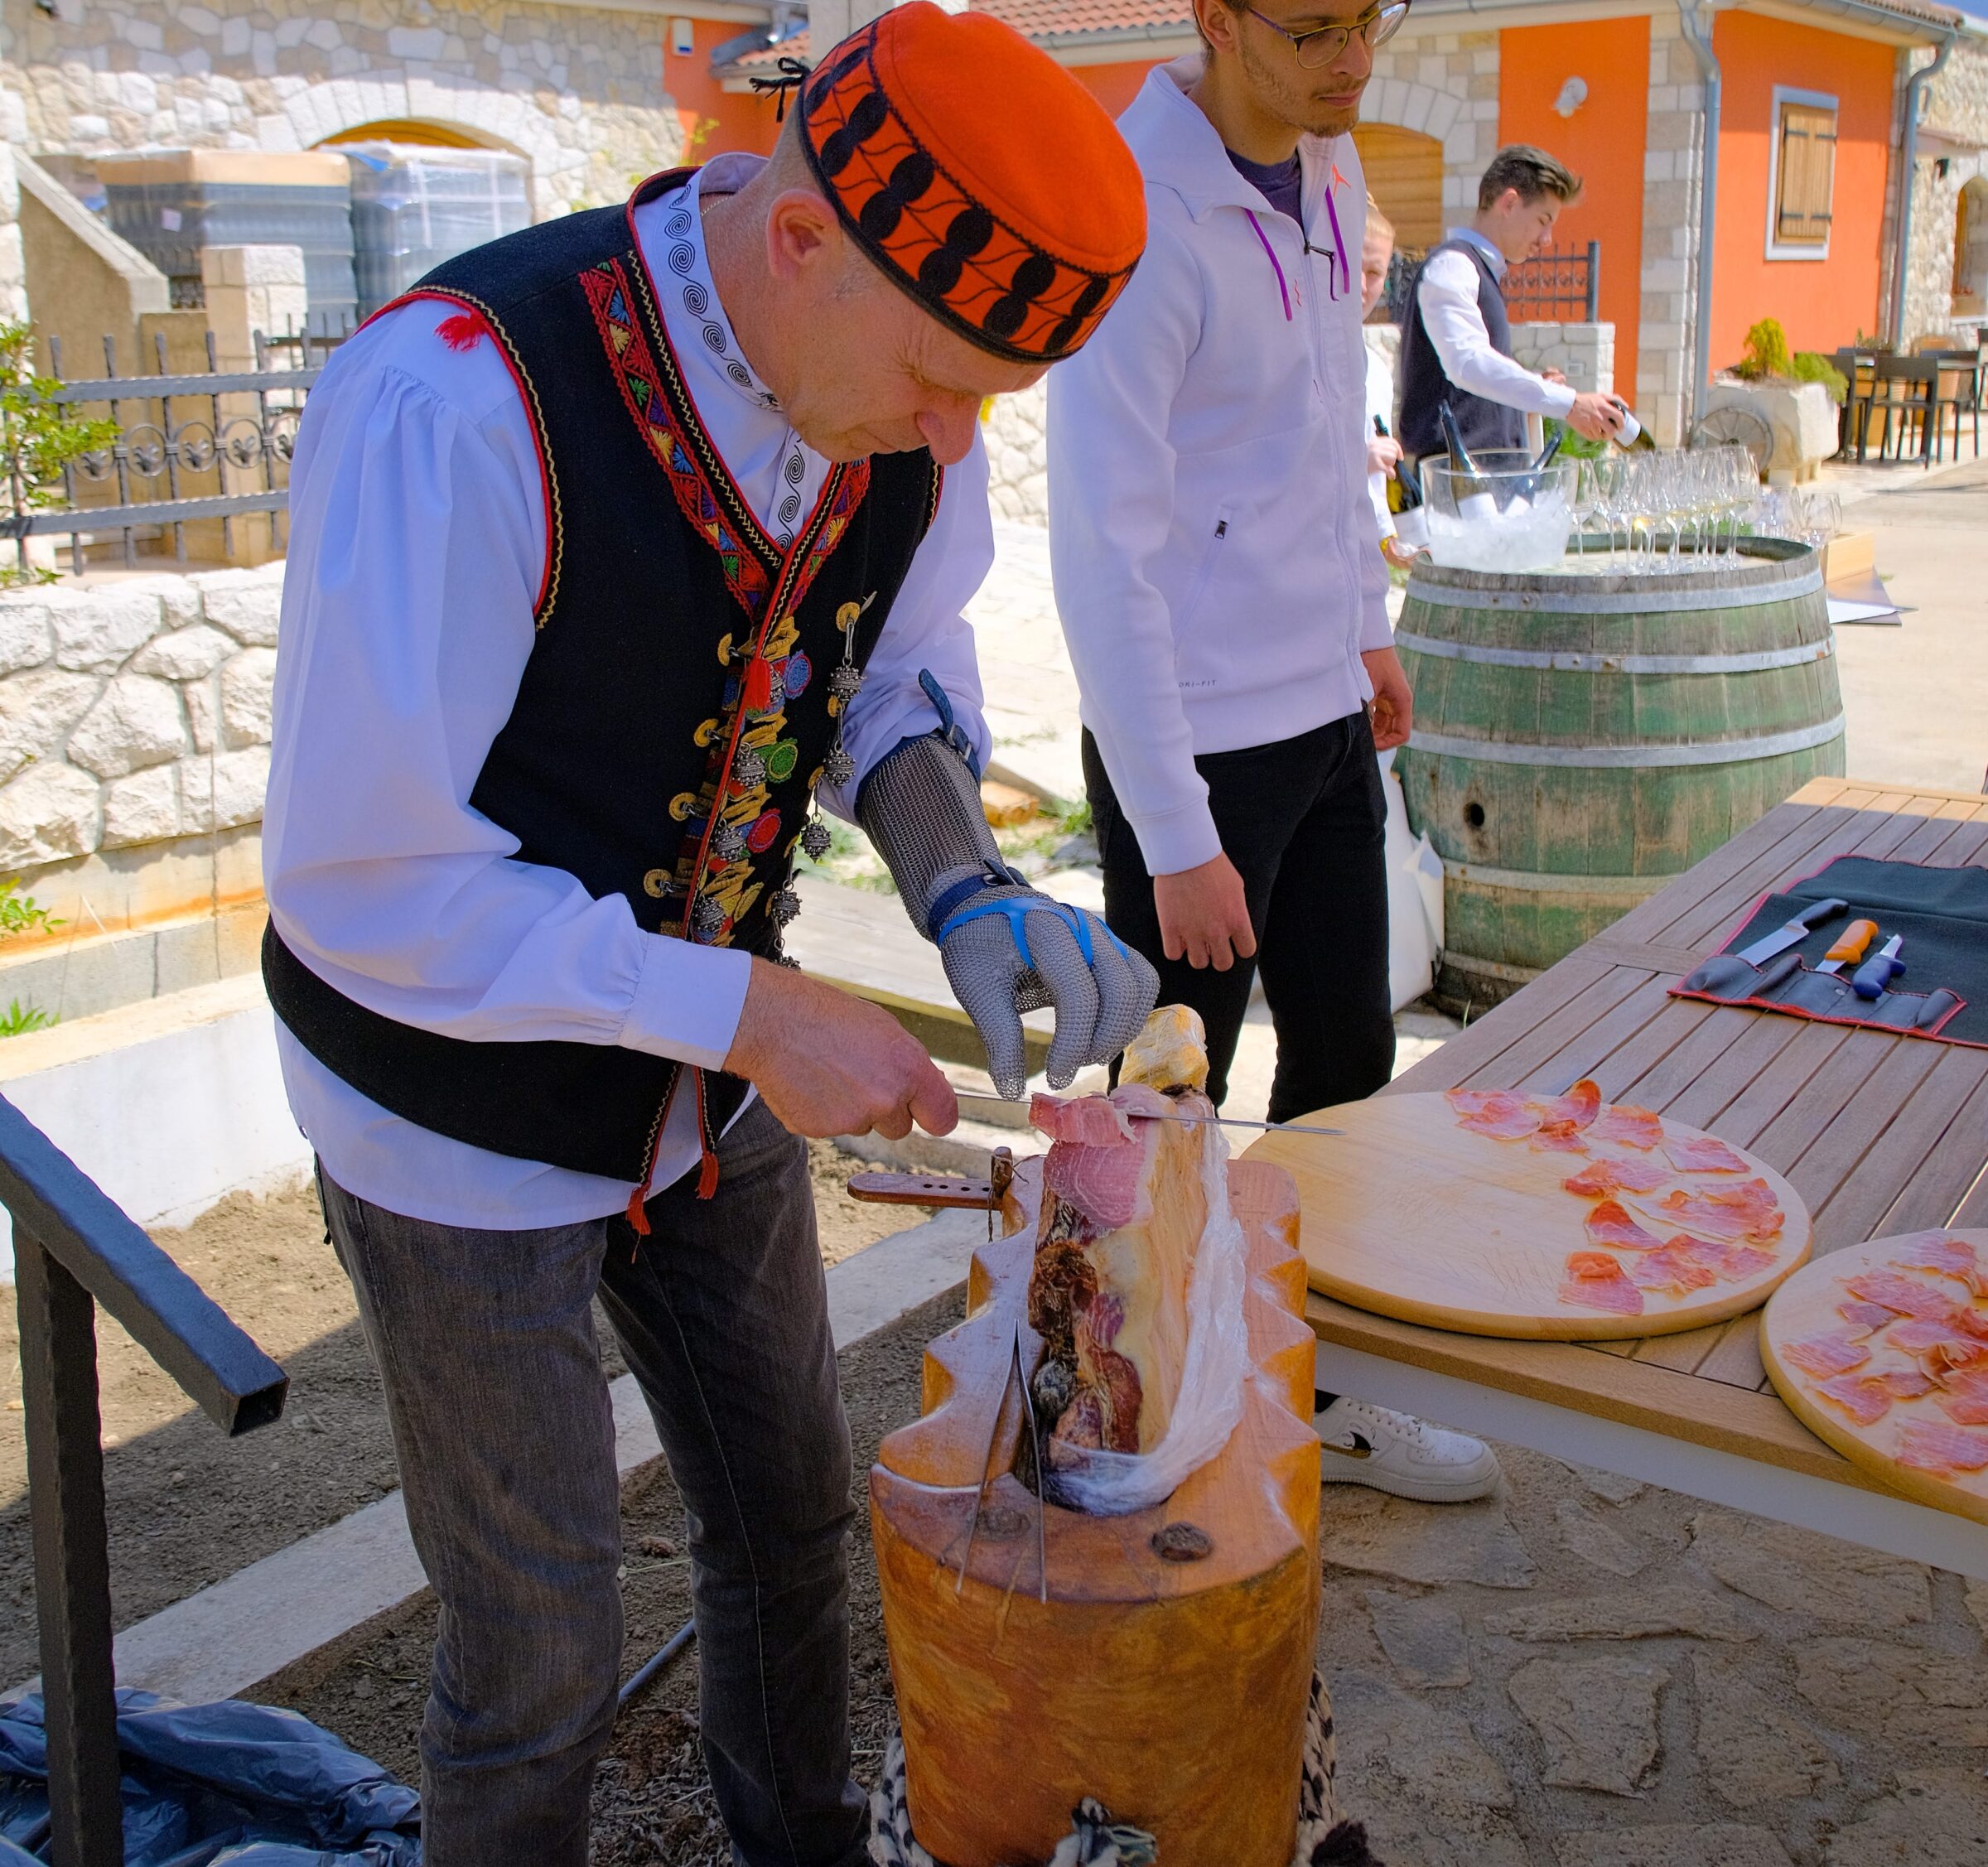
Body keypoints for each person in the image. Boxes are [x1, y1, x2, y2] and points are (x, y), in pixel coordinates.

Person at [261, 9, 1156, 1861]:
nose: (952, 436)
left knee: (787, 1511)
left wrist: (964, 885)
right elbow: (366, 883)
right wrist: (752, 1007)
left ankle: (803, 1843)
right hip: (452, 1108)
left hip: (704, 1074)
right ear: (804, 229)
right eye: (939, 380)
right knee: (540, 1634)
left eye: (990, 397)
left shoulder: (910, 392)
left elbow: (882, 681)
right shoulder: (458, 396)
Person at [1047, 0, 1499, 1504]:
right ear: (1216, 17)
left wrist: (1367, 624)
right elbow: (1103, 553)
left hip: (1316, 709)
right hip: (1198, 743)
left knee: (1355, 1058)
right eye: (1314, 29)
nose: (1354, 60)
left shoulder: (1325, 164)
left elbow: (1321, 429)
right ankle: (1135, 1401)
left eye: (1370, 21)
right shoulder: (1136, 214)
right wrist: (1176, 831)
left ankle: (1325, 1384)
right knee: (1167, 1107)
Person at [1397, 143, 1624, 461]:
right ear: (1510, 203)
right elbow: (1467, 363)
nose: (1547, 239)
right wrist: (1568, 403)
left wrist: (1534, 389)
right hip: (1460, 490)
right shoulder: (1453, 266)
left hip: (1480, 486)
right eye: (1544, 220)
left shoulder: (1472, 268)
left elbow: (1472, 384)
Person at [1358, 200, 1421, 571]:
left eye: (1375, 272)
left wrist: (1387, 538)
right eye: (1355, 266)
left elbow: (1378, 477)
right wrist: (1354, 461)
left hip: (1361, 563)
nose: (1363, 285)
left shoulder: (1377, 369)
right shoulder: (1287, 354)